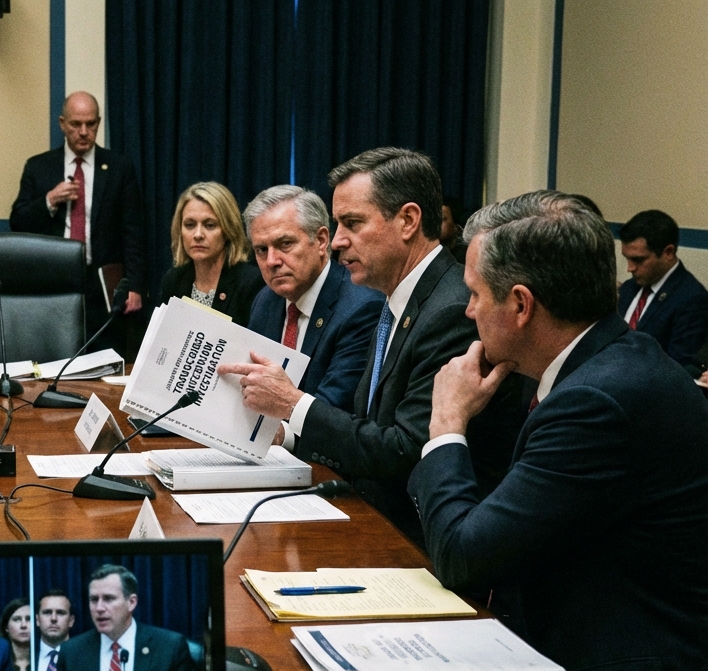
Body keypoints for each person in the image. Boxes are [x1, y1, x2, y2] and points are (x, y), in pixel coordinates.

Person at [409, 191, 708, 671]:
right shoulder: (601, 363)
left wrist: (445, 422)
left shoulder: (597, 399)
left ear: (521, 305)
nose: (467, 312)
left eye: (474, 295)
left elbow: (466, 556)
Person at [218, 147, 524, 545]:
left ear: (408, 220)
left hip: (417, 539)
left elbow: (404, 450)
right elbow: (368, 425)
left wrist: (292, 404)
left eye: (352, 223)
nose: (338, 241)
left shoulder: (450, 311)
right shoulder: (395, 299)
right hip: (373, 516)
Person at [9, 92, 146, 352]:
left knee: (104, 356)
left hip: (102, 282)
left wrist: (136, 285)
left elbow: (133, 232)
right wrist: (49, 200)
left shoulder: (119, 167)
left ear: (98, 123)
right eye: (75, 124)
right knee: (54, 355)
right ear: (62, 123)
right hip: (53, 281)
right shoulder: (39, 167)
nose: (84, 132)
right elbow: (18, 222)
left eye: (91, 124)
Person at [244, 185, 384, 410]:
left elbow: (333, 408)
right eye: (261, 249)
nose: (271, 261)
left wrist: (280, 435)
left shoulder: (361, 308)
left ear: (321, 240)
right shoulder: (266, 301)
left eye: (285, 244)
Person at [50, 565, 200, 671]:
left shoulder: (170, 647)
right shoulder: (71, 652)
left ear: (131, 602)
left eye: (109, 599)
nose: (99, 608)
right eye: (94, 599)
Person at [155, 182, 263, 326]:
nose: (198, 234)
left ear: (228, 230)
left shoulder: (251, 282)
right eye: (190, 225)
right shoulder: (174, 280)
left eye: (210, 225)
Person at [615, 209, 708, 367]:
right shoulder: (629, 288)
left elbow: (679, 368)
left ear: (668, 252)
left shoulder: (692, 299)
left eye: (638, 260)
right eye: (627, 259)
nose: (629, 269)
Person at [34, 589, 74, 671]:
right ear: (37, 620)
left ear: (71, 621)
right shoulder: (27, 655)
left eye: (60, 613)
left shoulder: (84, 657)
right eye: (47, 612)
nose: (53, 618)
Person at [0, 598, 33, 671]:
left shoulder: (44, 661)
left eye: (28, 619)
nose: (23, 625)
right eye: (17, 619)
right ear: (6, 627)